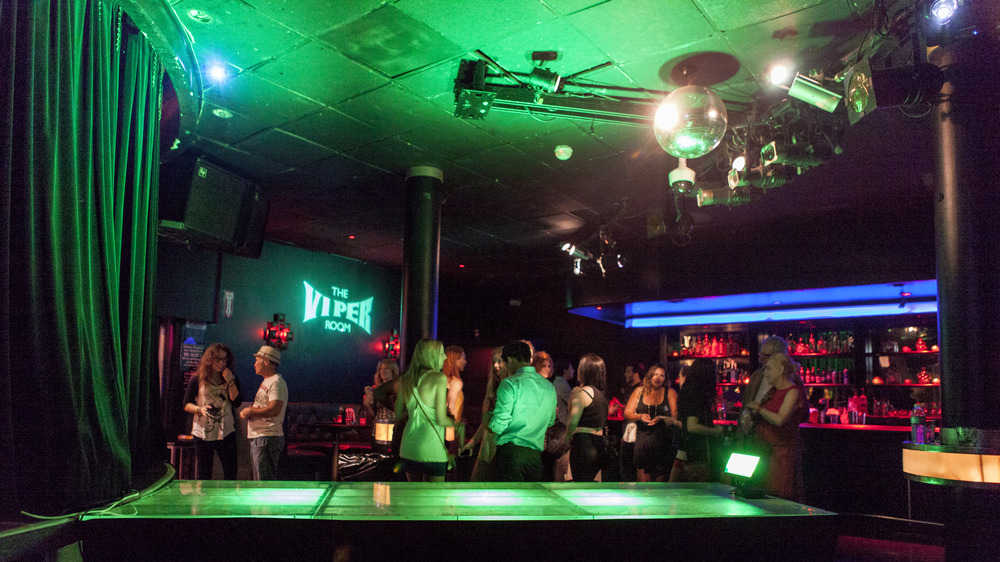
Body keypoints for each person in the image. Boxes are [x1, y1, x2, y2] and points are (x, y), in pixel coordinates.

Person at [489, 340, 557, 482]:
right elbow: (550, 421)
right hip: (535, 456)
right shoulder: (549, 386)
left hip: (511, 454)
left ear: (510, 360)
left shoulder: (509, 384)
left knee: (508, 501)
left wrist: (488, 420)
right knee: (531, 502)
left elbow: (498, 425)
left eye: (504, 363)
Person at [747, 352, 808, 501]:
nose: (765, 373)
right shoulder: (773, 391)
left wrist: (759, 409)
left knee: (780, 496)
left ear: (780, 370)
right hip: (768, 452)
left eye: (768, 369)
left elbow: (780, 419)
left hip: (782, 454)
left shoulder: (793, 392)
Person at [395, 339, 456, 482]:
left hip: (408, 448)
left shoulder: (405, 379)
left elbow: (398, 414)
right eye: (441, 353)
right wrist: (453, 421)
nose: (445, 357)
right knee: (434, 500)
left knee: (415, 498)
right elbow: (441, 419)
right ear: (432, 356)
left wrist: (415, 414)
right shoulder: (439, 378)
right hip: (432, 449)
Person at [183, 343, 242, 480]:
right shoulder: (198, 378)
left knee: (230, 471)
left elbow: (237, 402)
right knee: (204, 473)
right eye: (218, 359)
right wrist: (199, 409)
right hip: (203, 431)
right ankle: (203, 500)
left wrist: (231, 381)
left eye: (224, 359)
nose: (221, 363)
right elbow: (186, 404)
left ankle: (228, 499)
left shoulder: (231, 377)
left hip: (225, 430)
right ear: (210, 360)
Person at [670, 358, 725, 482]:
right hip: (696, 453)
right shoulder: (697, 396)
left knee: (675, 492)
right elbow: (692, 426)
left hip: (684, 451)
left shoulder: (686, 392)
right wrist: (716, 431)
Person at [239, 345, 288, 481]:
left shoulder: (276, 382)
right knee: (259, 482)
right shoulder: (269, 382)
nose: (254, 364)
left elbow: (274, 409)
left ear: (266, 361)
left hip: (267, 438)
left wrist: (251, 411)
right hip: (262, 438)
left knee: (264, 483)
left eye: (257, 360)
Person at [459, 346, 507, 481]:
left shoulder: (511, 386)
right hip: (489, 442)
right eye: (494, 362)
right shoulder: (494, 386)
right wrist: (472, 443)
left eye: (500, 361)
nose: (496, 365)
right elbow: (486, 422)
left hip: (502, 444)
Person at [624, 364, 677, 482]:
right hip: (643, 442)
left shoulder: (670, 392)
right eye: (655, 375)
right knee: (643, 484)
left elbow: (676, 416)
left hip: (663, 443)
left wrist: (662, 418)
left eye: (661, 375)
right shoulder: (639, 391)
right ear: (649, 376)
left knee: (660, 483)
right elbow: (627, 413)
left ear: (665, 378)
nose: (658, 378)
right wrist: (640, 416)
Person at [563, 353, 609, 482]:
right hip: (599, 442)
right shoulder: (602, 394)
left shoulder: (581, 393)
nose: (577, 370)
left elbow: (573, 421)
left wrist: (566, 437)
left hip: (583, 444)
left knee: (581, 486)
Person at [615, 362, 644, 482]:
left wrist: (624, 410)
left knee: (628, 470)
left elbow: (631, 412)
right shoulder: (633, 389)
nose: (625, 374)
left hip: (634, 435)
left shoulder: (639, 389)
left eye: (628, 372)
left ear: (636, 374)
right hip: (629, 433)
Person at [549, 357, 574, 482]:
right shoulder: (562, 385)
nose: (573, 371)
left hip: (558, 429)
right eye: (571, 368)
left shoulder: (556, 383)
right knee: (563, 464)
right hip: (563, 429)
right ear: (565, 370)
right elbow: (574, 405)